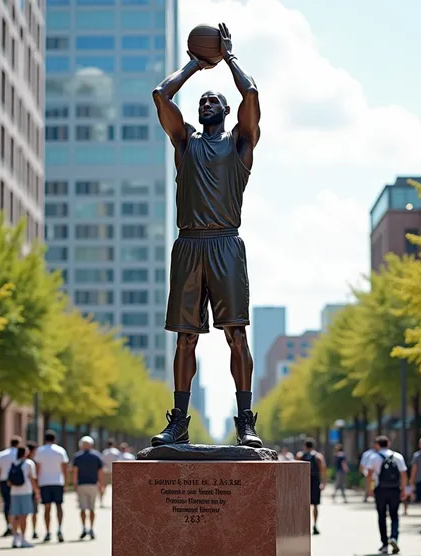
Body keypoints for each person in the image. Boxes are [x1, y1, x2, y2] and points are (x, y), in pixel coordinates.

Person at [150, 23, 263, 449]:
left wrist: (229, 58)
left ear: (226, 110)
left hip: (226, 243)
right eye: (203, 100)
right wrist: (195, 66)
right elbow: (161, 95)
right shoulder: (185, 144)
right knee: (186, 337)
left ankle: (246, 420)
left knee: (237, 334)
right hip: (189, 245)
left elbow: (250, 95)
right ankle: (179, 419)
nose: (208, 101)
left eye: (215, 98)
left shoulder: (240, 143)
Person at [366, 436, 408, 555]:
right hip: (395, 489)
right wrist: (404, 489)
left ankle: (384, 544)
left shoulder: (373, 457)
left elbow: (369, 474)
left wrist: (369, 489)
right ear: (388, 444)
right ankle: (394, 537)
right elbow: (404, 474)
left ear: (377, 445)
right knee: (394, 515)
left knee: (381, 516)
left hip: (380, 490)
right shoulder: (398, 456)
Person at [34, 431, 69, 543]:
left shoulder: (40, 451)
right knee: (59, 506)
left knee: (47, 508)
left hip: (44, 482)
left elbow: (37, 468)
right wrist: (65, 483)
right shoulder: (60, 450)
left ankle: (48, 531)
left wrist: (37, 482)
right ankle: (59, 529)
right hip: (58, 481)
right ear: (55, 439)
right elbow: (64, 467)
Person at [72, 436, 105, 540]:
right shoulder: (97, 456)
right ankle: (91, 528)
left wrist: (74, 484)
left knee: (82, 508)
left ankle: (83, 528)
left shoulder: (77, 456)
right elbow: (100, 472)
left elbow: (75, 471)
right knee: (92, 508)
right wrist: (101, 484)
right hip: (93, 484)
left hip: (81, 484)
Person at [8, 446, 39, 549]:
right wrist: (37, 491)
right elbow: (32, 478)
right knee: (24, 516)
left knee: (15, 516)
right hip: (26, 492)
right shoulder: (29, 463)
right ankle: (23, 538)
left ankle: (15, 538)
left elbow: (9, 481)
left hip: (14, 493)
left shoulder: (14, 463)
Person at [296, 439, 326, 535]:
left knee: (303, 506)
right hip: (315, 481)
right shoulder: (318, 456)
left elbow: (295, 470)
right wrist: (323, 483)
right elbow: (323, 470)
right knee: (315, 505)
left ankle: (304, 526)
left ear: (305, 446)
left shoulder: (300, 456)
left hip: (304, 482)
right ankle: (315, 524)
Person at [0, 436, 21, 537]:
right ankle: (15, 526)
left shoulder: (2, 454)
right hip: (17, 482)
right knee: (16, 503)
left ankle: (9, 525)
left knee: (7, 504)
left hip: (4, 481)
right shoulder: (19, 454)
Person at [99, 440, 120, 508]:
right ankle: (117, 502)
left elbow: (102, 462)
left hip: (106, 471)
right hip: (115, 471)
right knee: (116, 488)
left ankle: (101, 501)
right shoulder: (116, 452)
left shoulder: (105, 452)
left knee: (103, 487)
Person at [26, 441, 40, 540]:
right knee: (33, 512)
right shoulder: (32, 463)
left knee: (24, 513)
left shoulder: (19, 461)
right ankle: (34, 530)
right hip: (30, 490)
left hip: (22, 490)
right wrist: (37, 491)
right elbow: (34, 478)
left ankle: (23, 532)